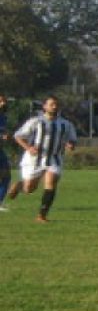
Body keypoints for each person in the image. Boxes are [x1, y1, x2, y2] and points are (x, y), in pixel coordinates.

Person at [6, 95, 77, 223]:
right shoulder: (36, 121)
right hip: (34, 160)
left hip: (54, 159)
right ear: (45, 106)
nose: (54, 107)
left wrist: (70, 145)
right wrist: (28, 148)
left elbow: (72, 139)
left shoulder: (65, 124)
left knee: (51, 182)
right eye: (51, 104)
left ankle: (42, 215)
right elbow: (18, 136)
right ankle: (19, 186)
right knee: (29, 188)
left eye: (56, 104)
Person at [0, 94, 11, 211]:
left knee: (6, 177)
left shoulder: (3, 117)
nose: (3, 104)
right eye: (0, 101)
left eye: (4, 101)